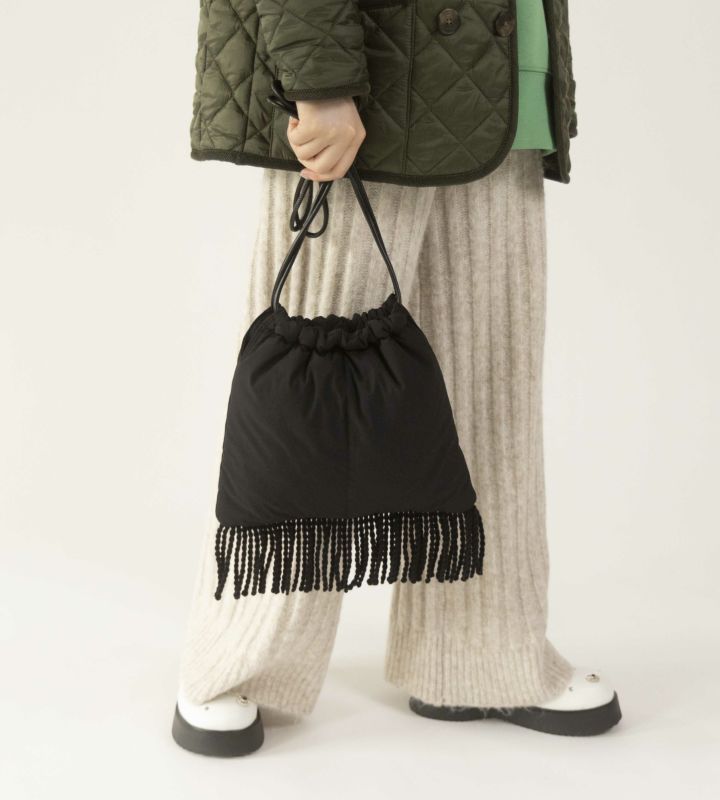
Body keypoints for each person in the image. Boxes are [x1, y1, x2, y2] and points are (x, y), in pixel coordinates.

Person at [171, 0, 621, 756]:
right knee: (309, 389)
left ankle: (480, 658)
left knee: (492, 392)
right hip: (369, 83)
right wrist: (318, 80)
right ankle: (236, 658)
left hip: (503, 85)